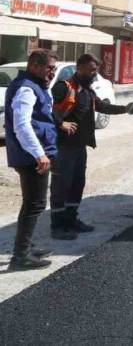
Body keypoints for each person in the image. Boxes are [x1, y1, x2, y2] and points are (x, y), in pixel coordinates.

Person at [50, 54, 133, 240]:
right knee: (60, 186)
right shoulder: (64, 87)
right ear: (79, 68)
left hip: (80, 147)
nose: (94, 73)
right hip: (63, 147)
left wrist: (125, 108)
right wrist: (61, 123)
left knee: (77, 184)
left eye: (96, 69)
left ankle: (71, 220)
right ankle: (57, 226)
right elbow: (48, 110)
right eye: (91, 69)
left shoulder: (87, 90)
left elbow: (101, 106)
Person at [3, 49, 59, 270]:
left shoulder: (35, 85)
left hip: (32, 155)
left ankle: (26, 246)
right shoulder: (26, 88)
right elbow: (22, 125)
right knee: (35, 204)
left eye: (54, 68)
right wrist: (39, 153)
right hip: (31, 157)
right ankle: (21, 256)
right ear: (34, 65)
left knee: (32, 203)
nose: (52, 73)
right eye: (49, 68)